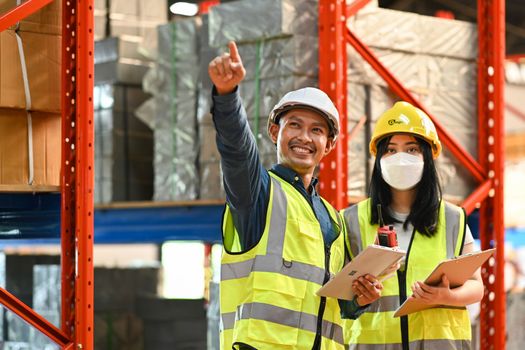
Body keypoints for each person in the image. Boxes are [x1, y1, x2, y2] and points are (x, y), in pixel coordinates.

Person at [208, 41, 382, 350]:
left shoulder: (333, 219)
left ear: (328, 145)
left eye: (317, 130)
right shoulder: (258, 194)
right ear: (275, 133)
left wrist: (359, 299)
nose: (304, 137)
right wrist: (227, 98)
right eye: (295, 125)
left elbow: (331, 302)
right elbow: (236, 151)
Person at [342, 101, 484, 349]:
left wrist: (447, 296)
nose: (400, 159)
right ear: (379, 159)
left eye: (411, 149)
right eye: (391, 150)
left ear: (427, 157)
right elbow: (339, 296)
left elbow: (476, 286)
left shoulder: (453, 218)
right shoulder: (351, 219)